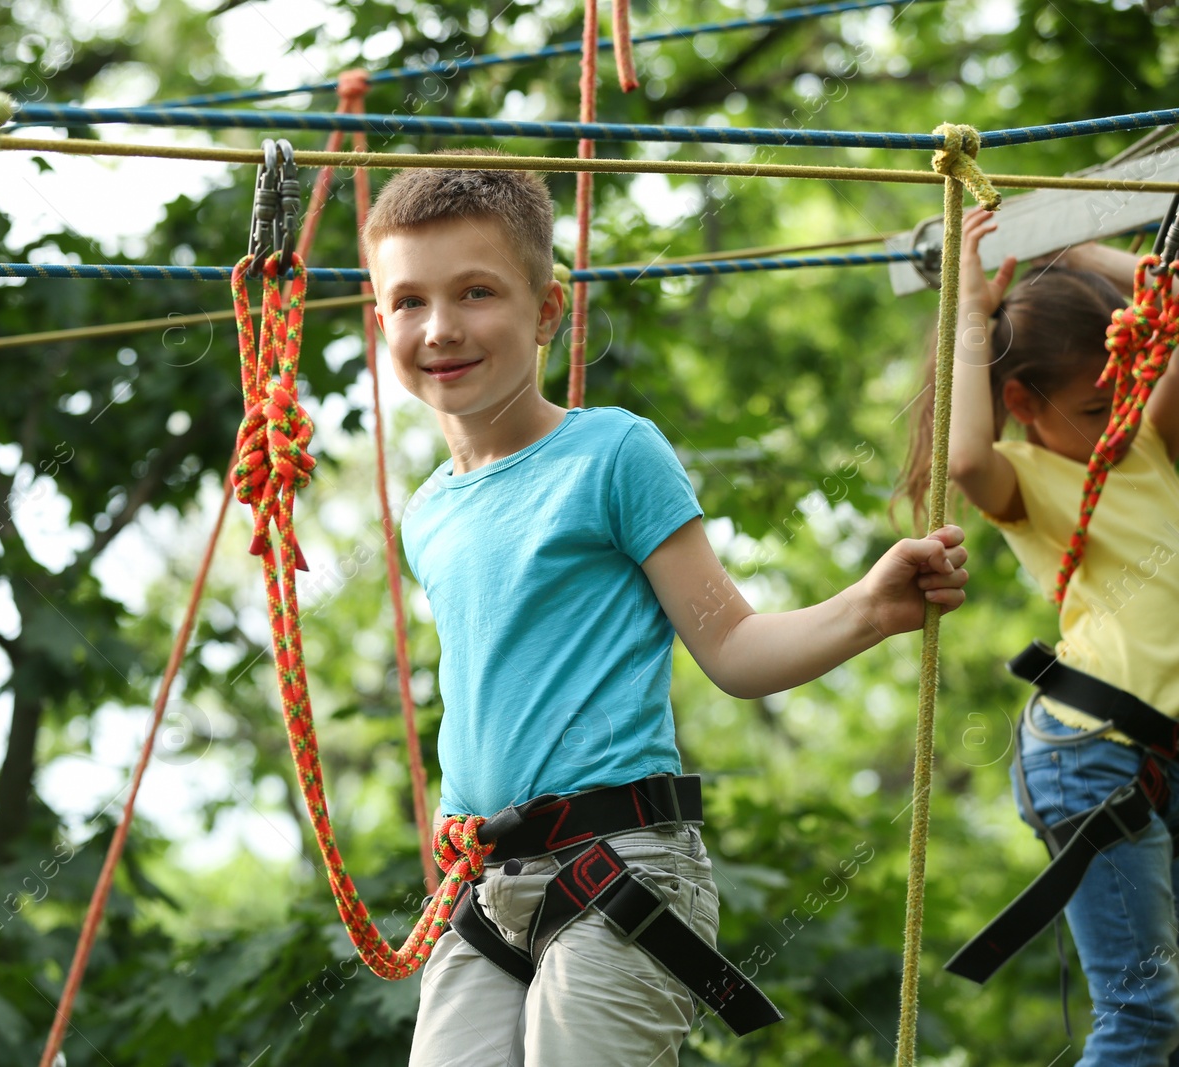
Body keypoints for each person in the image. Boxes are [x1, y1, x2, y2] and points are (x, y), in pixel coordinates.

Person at [363, 150, 970, 1067]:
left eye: (476, 292)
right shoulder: (428, 510)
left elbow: (731, 646)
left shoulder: (612, 454)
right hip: (482, 883)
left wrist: (868, 608)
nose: (441, 327)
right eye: (409, 301)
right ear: (381, 320)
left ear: (547, 309)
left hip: (617, 863)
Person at [898, 207, 1179, 1065]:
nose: (1114, 420)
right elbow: (964, 460)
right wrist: (974, 317)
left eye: (1122, 393)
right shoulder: (1031, 479)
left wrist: (1077, 245)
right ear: (1022, 399)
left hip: (1155, 751)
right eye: (1095, 406)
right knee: (1142, 1014)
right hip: (1091, 750)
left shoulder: (1148, 445)